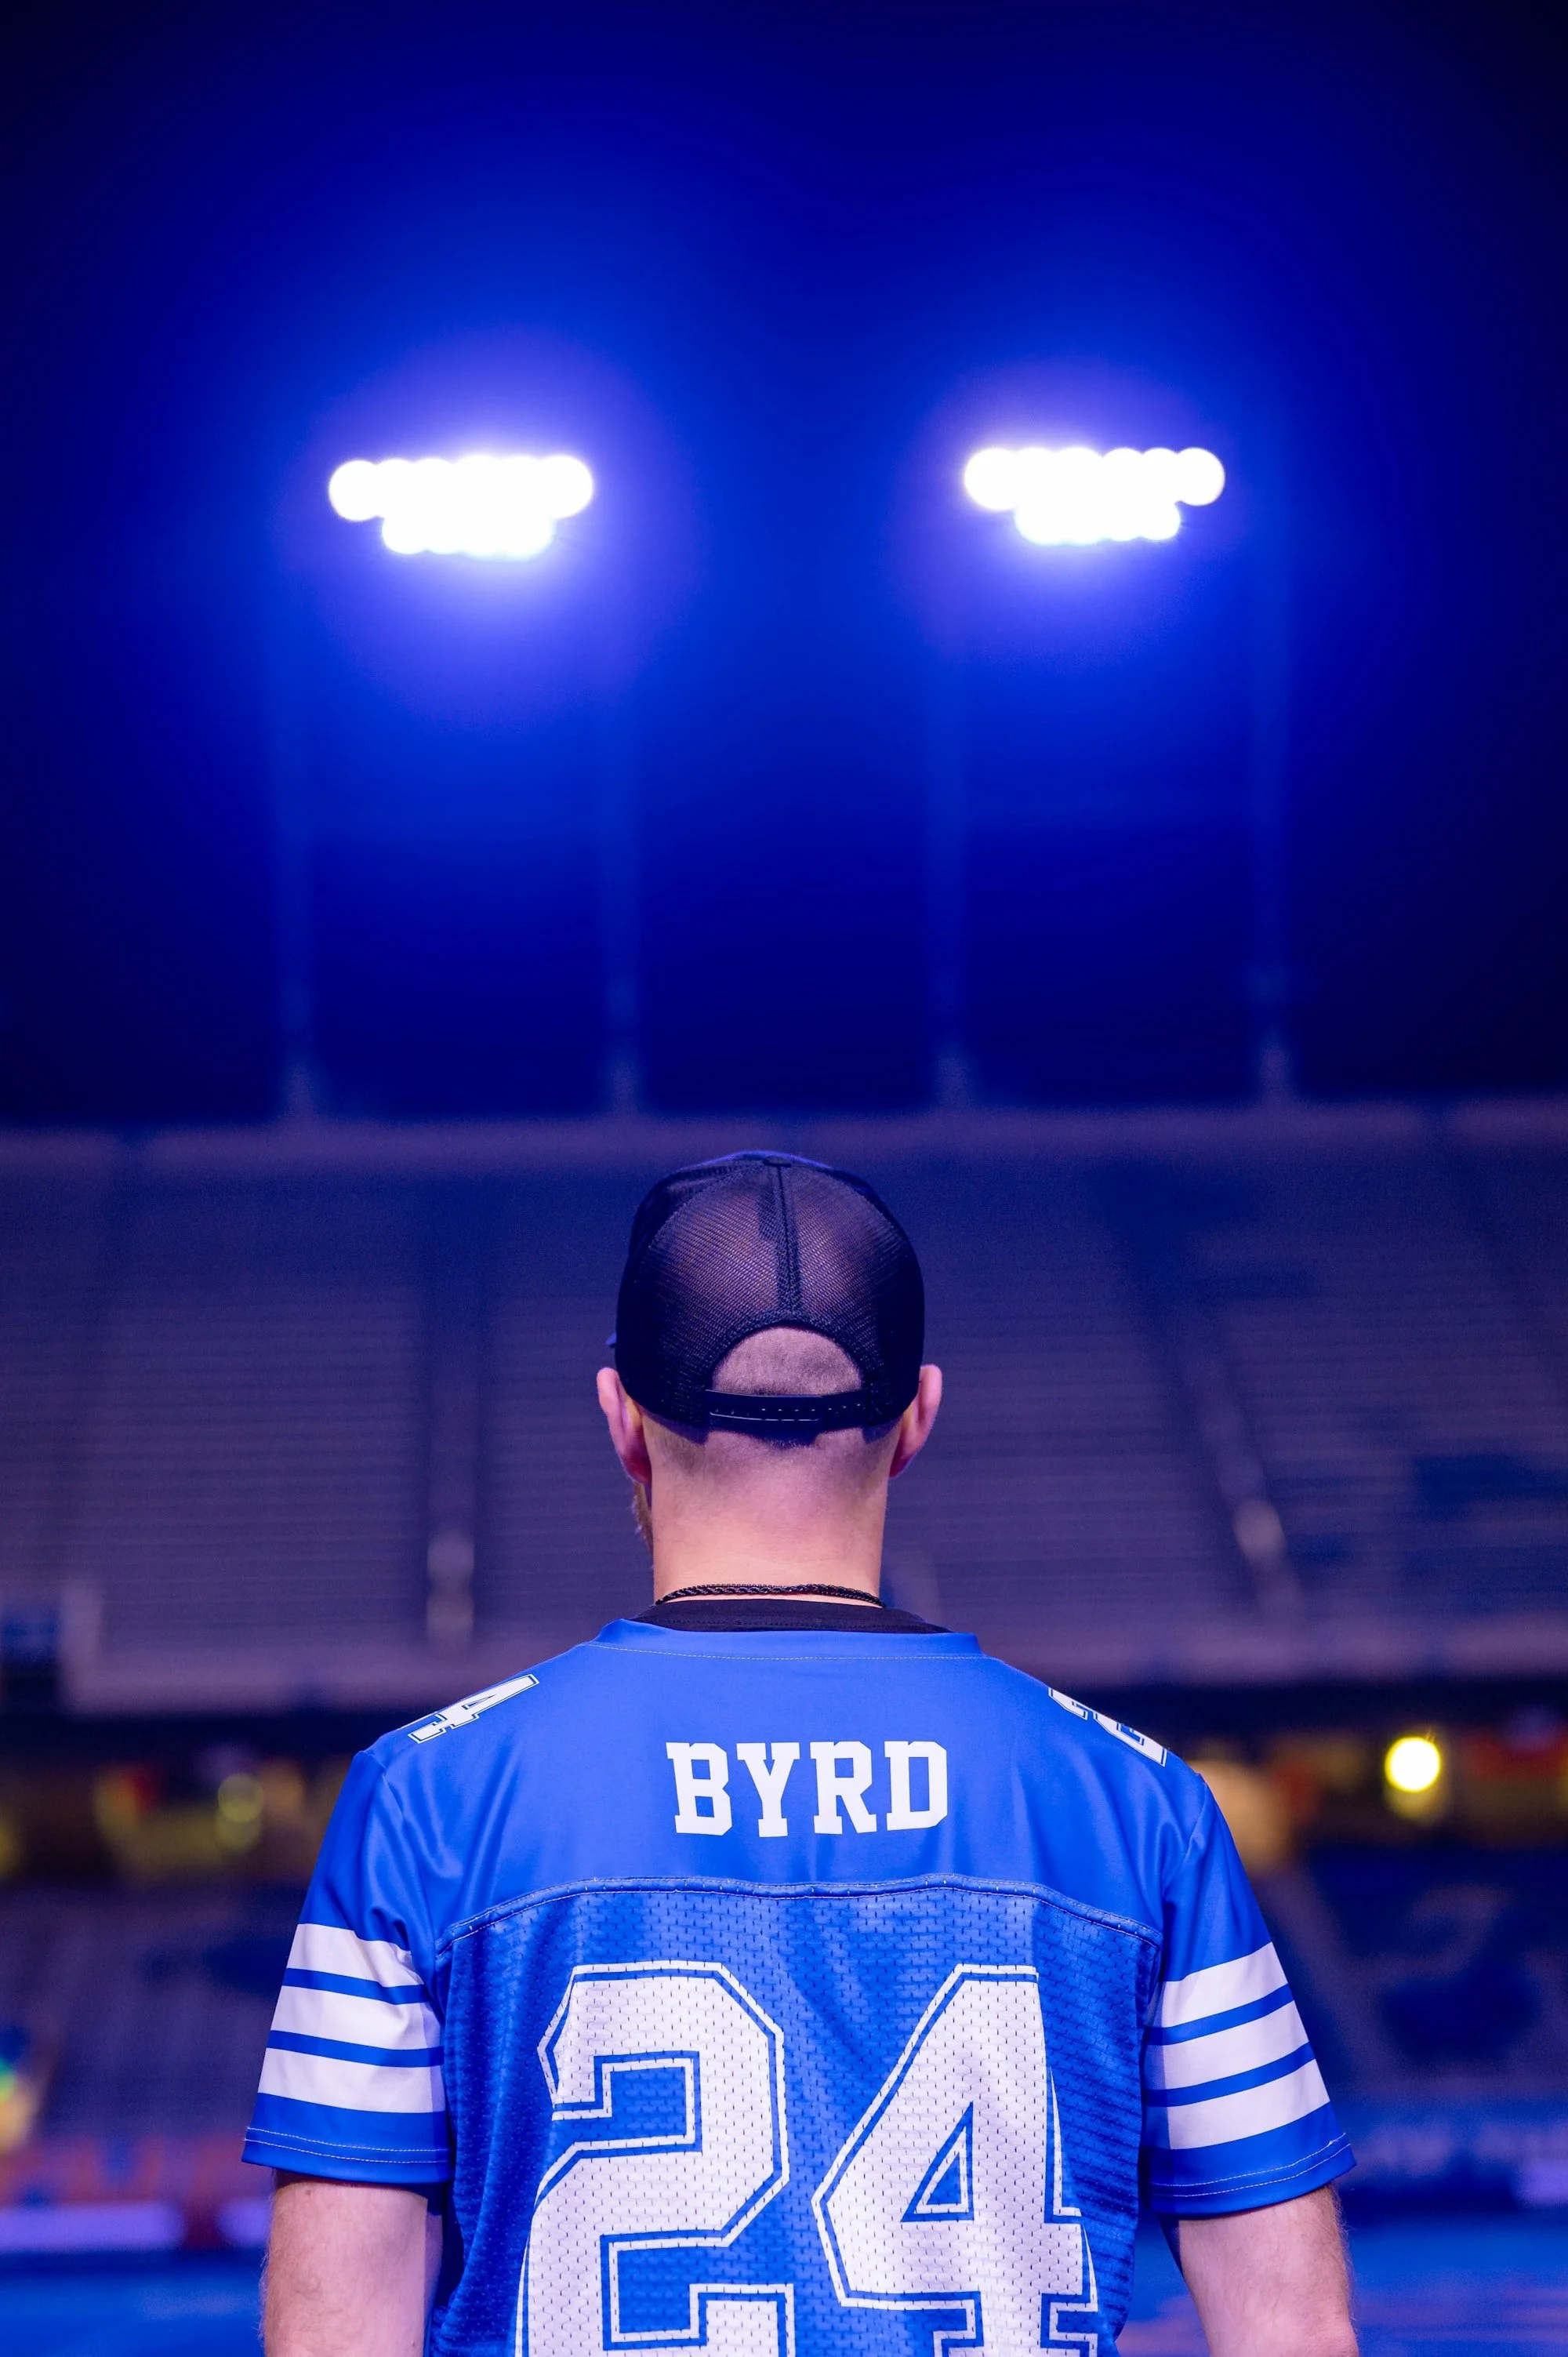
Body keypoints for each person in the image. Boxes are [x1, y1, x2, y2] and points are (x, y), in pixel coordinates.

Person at [251, 1149, 1358, 2357]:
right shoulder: (1137, 1806)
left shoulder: (427, 1800)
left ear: (620, 1415)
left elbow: (332, 2333)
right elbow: (1293, 2327)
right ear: (917, 1417)